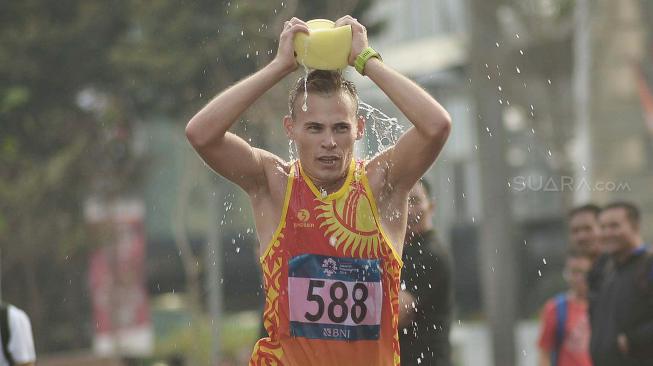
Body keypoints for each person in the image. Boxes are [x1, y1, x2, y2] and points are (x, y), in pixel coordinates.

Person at [186, 15, 451, 366]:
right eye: (314, 128)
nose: (329, 142)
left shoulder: (382, 186)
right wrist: (279, 67)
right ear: (290, 129)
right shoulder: (274, 184)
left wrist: (366, 60)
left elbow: (436, 126)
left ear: (359, 129)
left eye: (340, 128)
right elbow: (201, 133)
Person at [589, 202, 653, 366]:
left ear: (635, 226)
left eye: (614, 226)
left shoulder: (648, 265)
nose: (607, 233)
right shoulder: (607, 271)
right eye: (602, 227)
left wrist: (633, 340)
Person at [398, 179, 452, 366]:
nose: (409, 210)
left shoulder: (431, 253)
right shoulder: (400, 250)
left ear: (431, 207)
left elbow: (396, 314)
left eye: (415, 201)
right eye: (403, 201)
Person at [537, 249, 593, 366]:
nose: (578, 278)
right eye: (574, 272)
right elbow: (544, 355)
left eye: (583, 272)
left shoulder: (602, 305)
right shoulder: (555, 308)